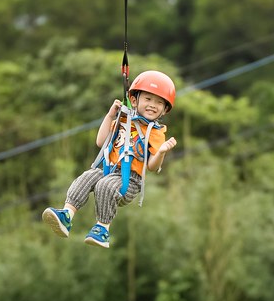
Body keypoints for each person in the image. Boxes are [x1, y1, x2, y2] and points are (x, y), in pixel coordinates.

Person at [41, 70, 177, 249]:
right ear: (135, 100)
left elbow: (151, 167)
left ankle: (102, 229)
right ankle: (67, 214)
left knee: (104, 185)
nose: (153, 105)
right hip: (108, 169)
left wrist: (161, 153)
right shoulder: (123, 120)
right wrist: (110, 116)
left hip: (128, 182)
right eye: (148, 99)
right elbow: (100, 142)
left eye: (159, 102)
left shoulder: (155, 132)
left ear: (165, 109)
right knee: (87, 176)